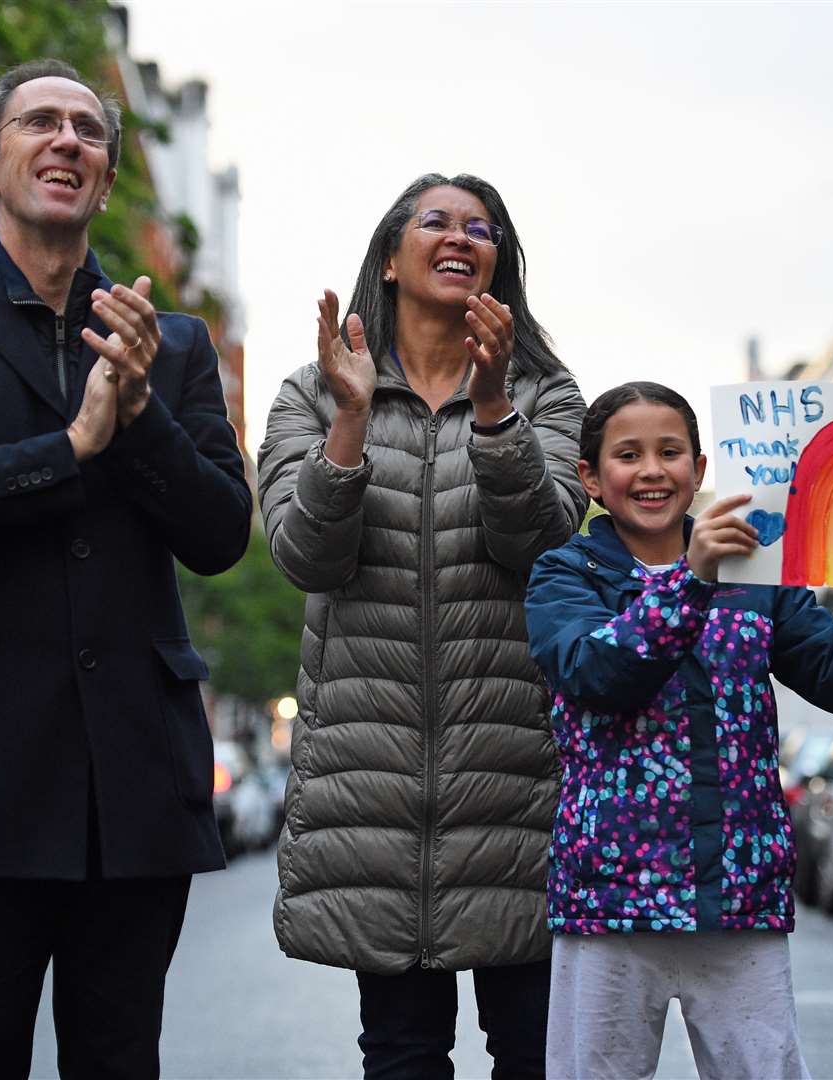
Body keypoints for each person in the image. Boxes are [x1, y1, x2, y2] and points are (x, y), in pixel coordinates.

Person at [0, 59, 250, 1079]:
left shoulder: (174, 347)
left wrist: (142, 414)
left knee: (120, 1061)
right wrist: (69, 450)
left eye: (88, 131)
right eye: (40, 124)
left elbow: (220, 533)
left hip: (133, 789)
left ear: (107, 180)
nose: (67, 140)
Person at [525, 382, 833, 1079]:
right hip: (609, 899)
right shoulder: (562, 576)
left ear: (700, 469)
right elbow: (597, 674)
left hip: (738, 896)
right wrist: (691, 580)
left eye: (669, 452)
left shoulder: (757, 574)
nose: (651, 470)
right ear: (590, 476)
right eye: (628, 455)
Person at [257, 173, 589, 1078]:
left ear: (498, 263)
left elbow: (546, 542)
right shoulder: (312, 395)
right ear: (391, 258)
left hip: (516, 789)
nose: (459, 236)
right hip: (374, 795)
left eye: (480, 227)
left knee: (532, 1053)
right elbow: (304, 557)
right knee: (400, 1056)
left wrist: (493, 413)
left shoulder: (548, 398)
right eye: (436, 220)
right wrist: (353, 419)